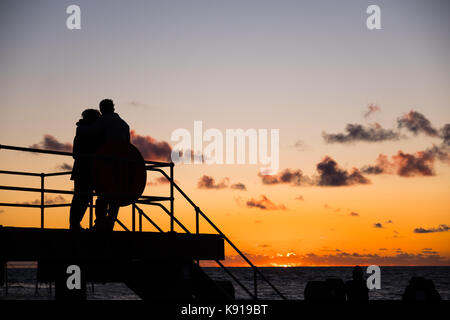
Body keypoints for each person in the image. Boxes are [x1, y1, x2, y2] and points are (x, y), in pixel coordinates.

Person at [94, 99, 130, 231]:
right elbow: (128, 146)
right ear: (113, 108)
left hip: (104, 163)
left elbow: (96, 141)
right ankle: (110, 223)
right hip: (120, 165)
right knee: (115, 196)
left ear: (102, 109)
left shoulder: (101, 122)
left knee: (102, 195)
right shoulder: (124, 124)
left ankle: (100, 224)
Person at [69, 108, 101, 231]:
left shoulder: (80, 130)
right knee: (83, 197)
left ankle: (74, 223)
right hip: (88, 167)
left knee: (80, 197)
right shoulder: (91, 131)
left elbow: (75, 152)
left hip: (81, 167)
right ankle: (75, 224)